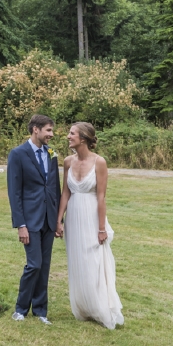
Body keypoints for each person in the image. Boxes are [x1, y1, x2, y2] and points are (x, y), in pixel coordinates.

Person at [57, 122, 124, 329]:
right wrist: (59, 220)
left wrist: (102, 228)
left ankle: (100, 306)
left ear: (83, 138)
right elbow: (65, 192)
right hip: (73, 216)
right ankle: (84, 307)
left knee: (94, 261)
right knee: (77, 261)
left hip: (92, 216)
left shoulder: (99, 162)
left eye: (72, 133)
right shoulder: (68, 162)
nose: (68, 136)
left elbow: (101, 197)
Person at [7, 114, 61, 325]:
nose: (51, 134)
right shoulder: (18, 154)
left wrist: (59, 220)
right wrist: (20, 224)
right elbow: (14, 192)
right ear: (35, 129)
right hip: (30, 220)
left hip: (49, 218)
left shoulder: (51, 153)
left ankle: (40, 311)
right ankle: (20, 309)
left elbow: (55, 188)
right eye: (48, 130)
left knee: (44, 266)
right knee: (34, 264)